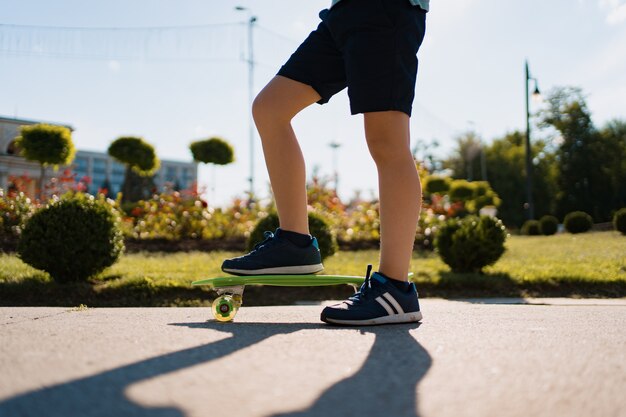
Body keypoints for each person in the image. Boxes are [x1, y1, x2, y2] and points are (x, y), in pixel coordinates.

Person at [222, 0, 428, 325]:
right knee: (270, 108)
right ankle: (295, 244)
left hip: (387, 9)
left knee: (386, 140)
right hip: (343, 14)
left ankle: (395, 288)